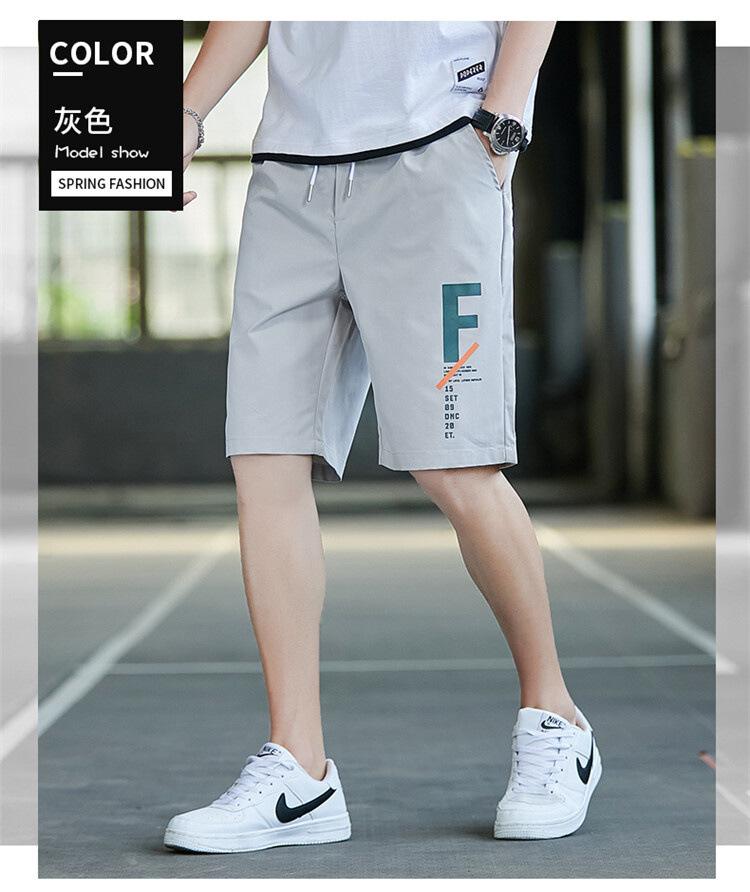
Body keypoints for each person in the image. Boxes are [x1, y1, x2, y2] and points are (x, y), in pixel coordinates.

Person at [164, 21, 602, 854]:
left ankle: (557, 720)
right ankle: (301, 770)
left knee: (456, 468)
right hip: (289, 172)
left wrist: (502, 121)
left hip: (436, 152)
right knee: (264, 460)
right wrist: (185, 116)